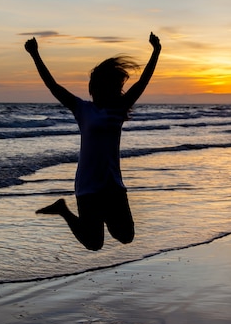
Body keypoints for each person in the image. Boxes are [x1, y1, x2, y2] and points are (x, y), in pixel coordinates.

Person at [24, 32, 161, 251]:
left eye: (101, 87)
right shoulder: (82, 109)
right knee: (94, 243)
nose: (95, 91)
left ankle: (101, 213)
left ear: (110, 88)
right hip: (88, 185)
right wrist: (35, 55)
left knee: (126, 236)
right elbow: (53, 86)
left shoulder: (119, 108)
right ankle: (64, 210)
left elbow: (143, 82)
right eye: (94, 87)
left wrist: (156, 52)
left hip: (113, 185)